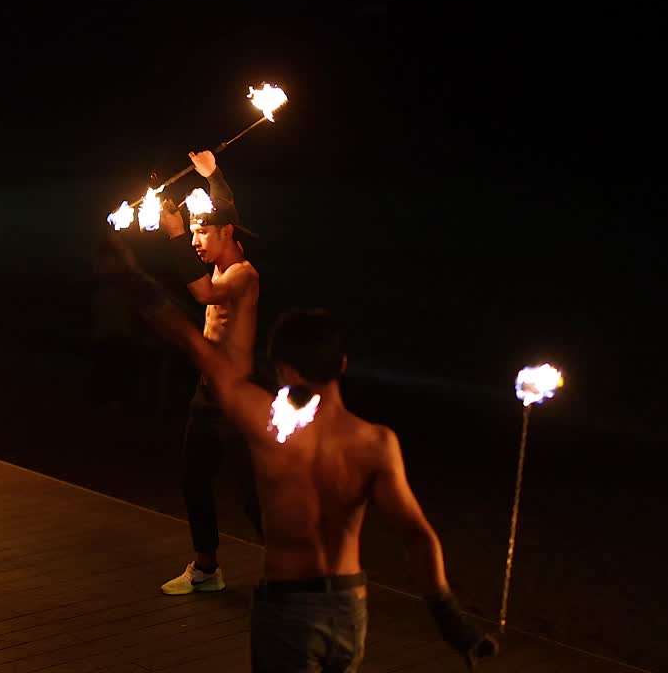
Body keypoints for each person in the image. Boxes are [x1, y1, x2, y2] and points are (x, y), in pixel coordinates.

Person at [100, 235, 499, 671]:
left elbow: (194, 344)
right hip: (349, 606)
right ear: (342, 363)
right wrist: (449, 620)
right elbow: (417, 536)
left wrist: (132, 278)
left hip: (288, 608)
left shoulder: (269, 426)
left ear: (283, 368)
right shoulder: (377, 443)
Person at [156, 151, 264, 596]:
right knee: (193, 480)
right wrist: (213, 175)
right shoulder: (220, 262)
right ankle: (206, 568)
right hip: (206, 396)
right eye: (193, 231)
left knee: (254, 497)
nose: (196, 241)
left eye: (203, 232)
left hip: (236, 400)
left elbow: (203, 296)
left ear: (227, 233)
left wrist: (175, 236)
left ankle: (300, 572)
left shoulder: (242, 275)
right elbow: (226, 206)